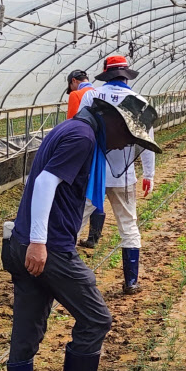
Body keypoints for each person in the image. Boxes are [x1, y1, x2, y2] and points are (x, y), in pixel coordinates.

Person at [2, 95, 161, 371]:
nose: (122, 146)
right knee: (96, 318)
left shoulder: (73, 128)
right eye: (128, 138)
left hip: (26, 242)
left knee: (25, 337)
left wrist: (31, 240)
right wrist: (39, 242)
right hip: (51, 248)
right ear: (115, 122)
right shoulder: (82, 136)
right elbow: (45, 181)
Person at [76, 56, 155, 295]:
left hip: (93, 174)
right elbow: (147, 142)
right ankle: (131, 282)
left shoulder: (91, 96)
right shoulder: (139, 101)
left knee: (75, 222)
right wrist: (149, 174)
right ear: (126, 75)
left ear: (105, 74)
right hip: (124, 176)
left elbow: (79, 132)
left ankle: (63, 274)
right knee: (128, 226)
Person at [66, 69, 106, 250]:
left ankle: (70, 236)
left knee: (83, 192)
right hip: (101, 148)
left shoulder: (76, 95)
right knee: (98, 190)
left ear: (74, 81)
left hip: (84, 147)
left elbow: (73, 123)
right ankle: (93, 237)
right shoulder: (98, 93)